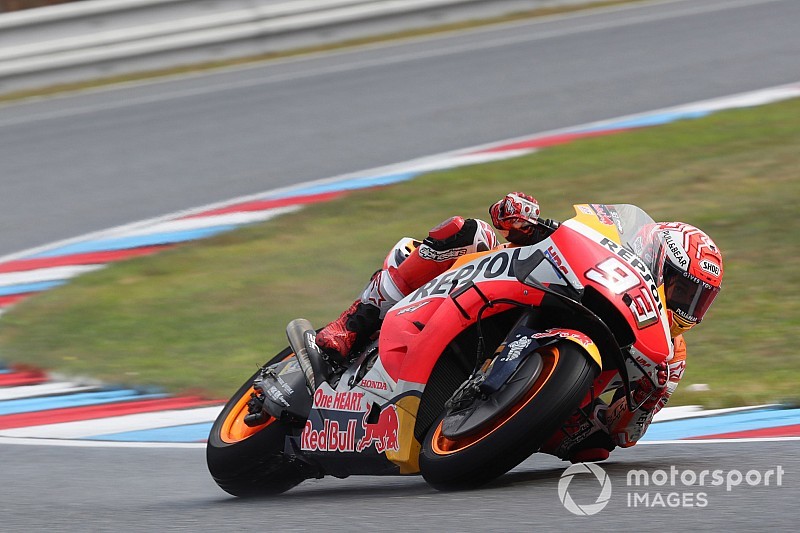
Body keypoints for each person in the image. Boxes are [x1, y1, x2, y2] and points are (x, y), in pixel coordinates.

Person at [314, 193, 724, 463]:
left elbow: (626, 433)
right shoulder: (611, 254)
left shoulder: (670, 355)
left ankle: (493, 419)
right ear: (653, 258)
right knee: (468, 233)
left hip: (555, 404)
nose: (686, 308)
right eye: (682, 289)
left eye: (698, 300)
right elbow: (528, 228)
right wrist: (522, 218)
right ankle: (353, 322)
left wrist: (631, 407)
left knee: (593, 449)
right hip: (506, 291)